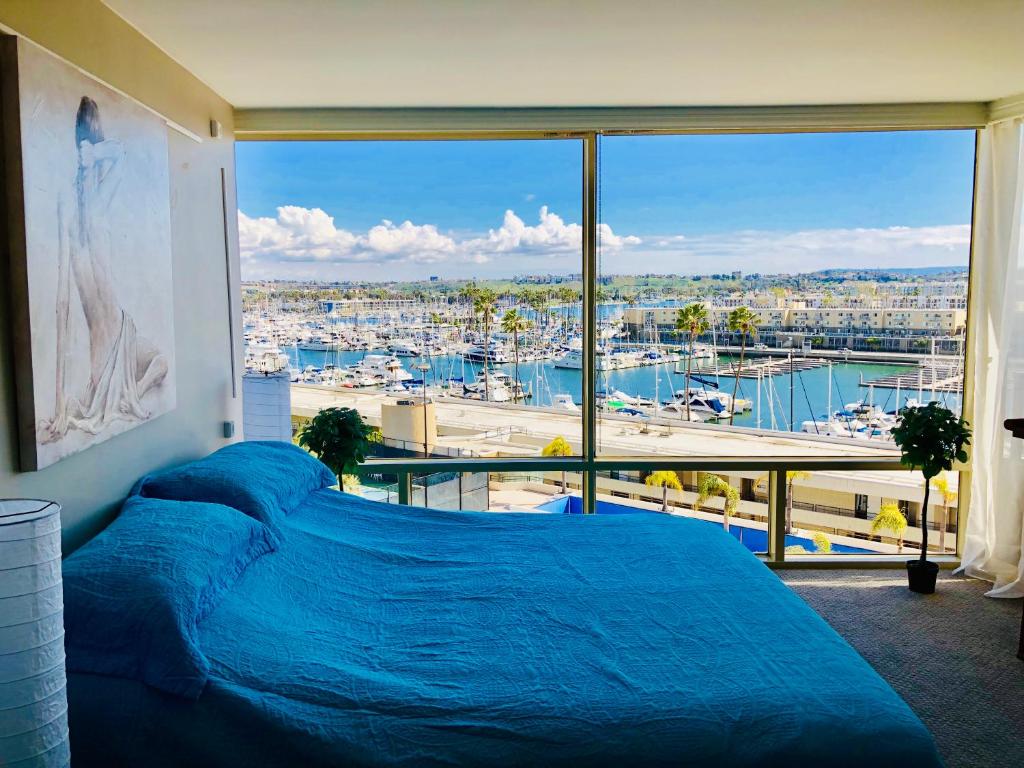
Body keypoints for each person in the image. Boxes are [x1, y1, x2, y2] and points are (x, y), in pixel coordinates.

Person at [41, 96, 167, 443]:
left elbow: (121, 154)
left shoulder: (95, 205)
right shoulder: (75, 209)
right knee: (152, 369)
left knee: (160, 364)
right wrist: (58, 404)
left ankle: (133, 394)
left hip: (120, 330)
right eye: (83, 154)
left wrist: (96, 152)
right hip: (107, 345)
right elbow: (62, 304)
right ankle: (133, 396)